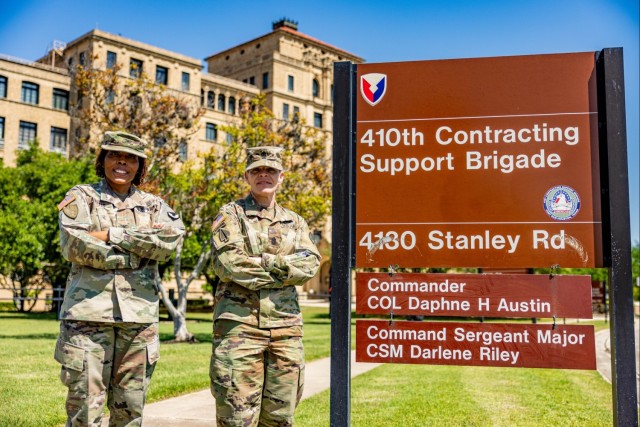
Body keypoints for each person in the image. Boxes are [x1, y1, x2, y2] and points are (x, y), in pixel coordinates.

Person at [54, 131, 185, 426]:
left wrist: (112, 235)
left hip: (138, 319)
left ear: (140, 166)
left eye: (130, 158)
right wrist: (137, 253)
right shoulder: (81, 196)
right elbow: (74, 244)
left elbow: (171, 243)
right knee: (85, 410)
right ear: (103, 160)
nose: (122, 162)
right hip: (87, 317)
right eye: (115, 155)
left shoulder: (154, 205)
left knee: (130, 411)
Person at [210, 146, 321, 426]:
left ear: (281, 177)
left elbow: (311, 264)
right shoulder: (230, 215)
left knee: (280, 418)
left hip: (286, 330)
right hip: (240, 329)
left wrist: (264, 261)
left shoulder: (295, 221)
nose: (263, 175)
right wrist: (286, 270)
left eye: (270, 170)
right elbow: (230, 264)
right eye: (256, 170)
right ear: (247, 177)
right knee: (236, 417)